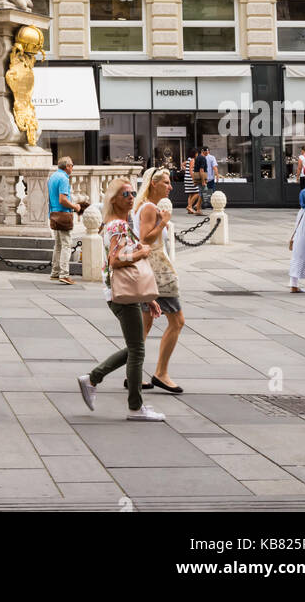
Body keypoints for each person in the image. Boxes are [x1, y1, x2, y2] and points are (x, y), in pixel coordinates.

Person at [76, 177, 165, 422]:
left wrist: (148, 297)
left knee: (135, 347)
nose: (131, 197)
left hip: (125, 291)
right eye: (125, 194)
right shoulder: (117, 226)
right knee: (137, 349)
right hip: (120, 292)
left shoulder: (120, 223)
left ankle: (92, 379)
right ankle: (134, 407)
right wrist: (141, 253)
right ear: (113, 199)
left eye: (133, 193)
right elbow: (115, 261)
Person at [133, 167, 185, 393]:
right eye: (166, 182)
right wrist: (163, 222)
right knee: (177, 321)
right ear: (153, 184)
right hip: (158, 274)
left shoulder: (145, 207)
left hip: (148, 271)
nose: (170, 186)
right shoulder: (150, 209)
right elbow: (146, 238)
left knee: (144, 325)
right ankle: (161, 373)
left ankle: (133, 373)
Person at [48, 156, 81, 286]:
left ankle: (55, 272)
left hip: (53, 213)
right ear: (67, 166)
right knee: (66, 245)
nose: (72, 167)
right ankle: (64, 274)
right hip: (63, 215)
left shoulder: (53, 177)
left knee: (58, 245)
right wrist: (75, 207)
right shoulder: (63, 179)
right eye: (72, 165)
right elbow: (62, 199)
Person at [183, 150, 201, 215]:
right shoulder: (192, 160)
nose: (197, 154)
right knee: (198, 192)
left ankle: (189, 210)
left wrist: (186, 170)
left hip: (187, 178)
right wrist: (193, 179)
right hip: (191, 178)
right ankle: (189, 206)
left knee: (190, 194)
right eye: (197, 153)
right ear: (195, 154)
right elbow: (191, 170)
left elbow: (182, 164)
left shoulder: (188, 159)